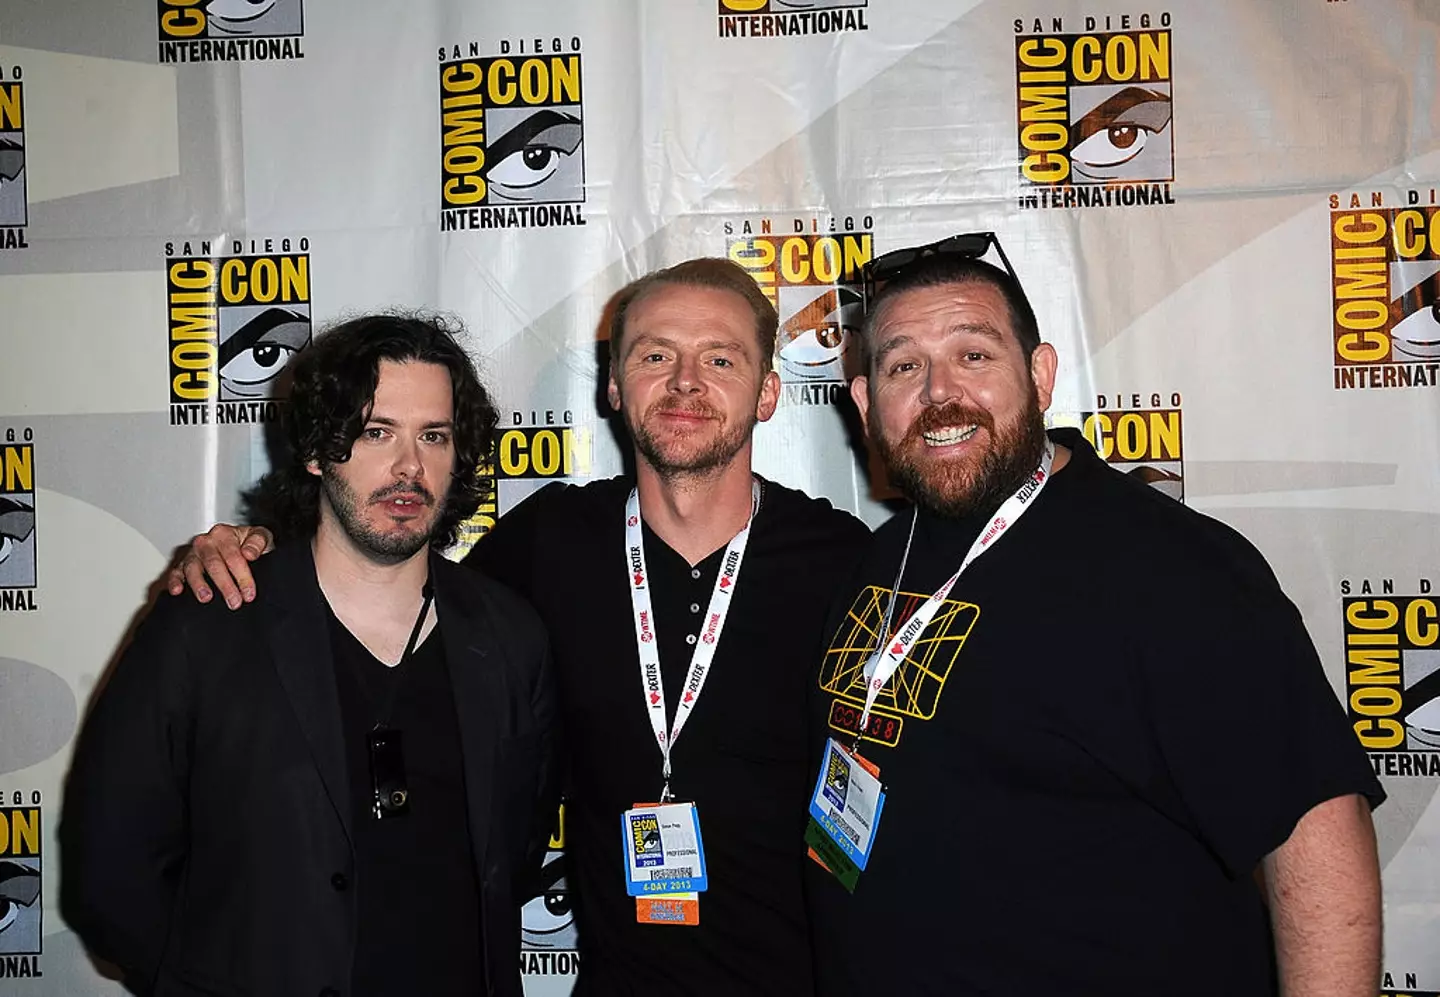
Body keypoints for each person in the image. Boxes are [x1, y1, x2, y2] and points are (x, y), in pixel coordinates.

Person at [164, 260, 870, 996]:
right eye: (655, 355)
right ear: (614, 386)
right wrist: (257, 553)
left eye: (720, 358)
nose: (685, 381)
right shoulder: (549, 543)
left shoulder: (846, 562)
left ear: (767, 393)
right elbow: (381, 586)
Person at [804, 233, 1386, 996]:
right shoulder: (879, 557)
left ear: (1040, 374)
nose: (939, 392)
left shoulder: (1172, 569)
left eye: (974, 355)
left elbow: (1313, 834)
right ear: (865, 400)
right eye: (904, 365)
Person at [62, 314, 557, 997]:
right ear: (320, 450)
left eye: (433, 436)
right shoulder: (212, 620)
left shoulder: (509, 637)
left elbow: (518, 852)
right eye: (377, 431)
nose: (409, 465)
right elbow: (110, 869)